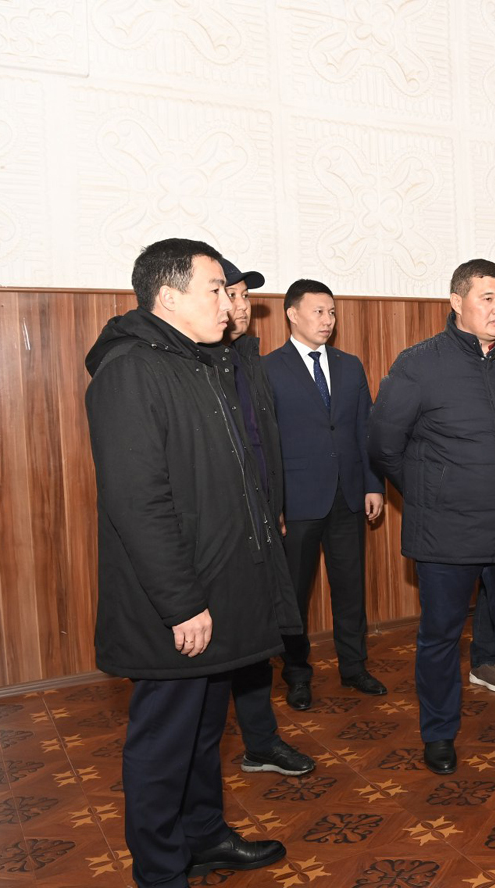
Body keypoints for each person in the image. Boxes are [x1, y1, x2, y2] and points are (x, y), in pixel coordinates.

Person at [85, 238, 298, 887]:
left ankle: (204, 837)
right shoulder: (130, 370)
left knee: (204, 734)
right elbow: (138, 502)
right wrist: (182, 602)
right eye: (214, 290)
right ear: (169, 295)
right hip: (175, 606)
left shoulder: (199, 363)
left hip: (219, 589)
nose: (228, 305)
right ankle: (160, 871)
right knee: (162, 747)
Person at [368, 259, 495, 775]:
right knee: (440, 637)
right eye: (487, 298)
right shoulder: (419, 363)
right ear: (456, 302)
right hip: (445, 532)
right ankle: (439, 731)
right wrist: (430, 493)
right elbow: (383, 444)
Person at [264, 279, 386, 710]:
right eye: (318, 311)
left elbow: (365, 430)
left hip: (348, 496)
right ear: (292, 314)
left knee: (350, 589)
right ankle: (297, 674)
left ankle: (354, 667)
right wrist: (274, 504)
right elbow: (266, 444)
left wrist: (373, 484)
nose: (328, 320)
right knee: (294, 595)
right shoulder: (269, 368)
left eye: (332, 312)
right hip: (296, 501)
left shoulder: (350, 366)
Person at [218, 257, 314, 777]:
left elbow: (263, 442)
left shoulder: (246, 359)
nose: (242, 306)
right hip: (220, 528)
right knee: (219, 648)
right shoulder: (195, 365)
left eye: (244, 296)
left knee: (256, 636)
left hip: (258, 519)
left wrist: (273, 505)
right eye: (230, 294)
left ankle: (260, 741)